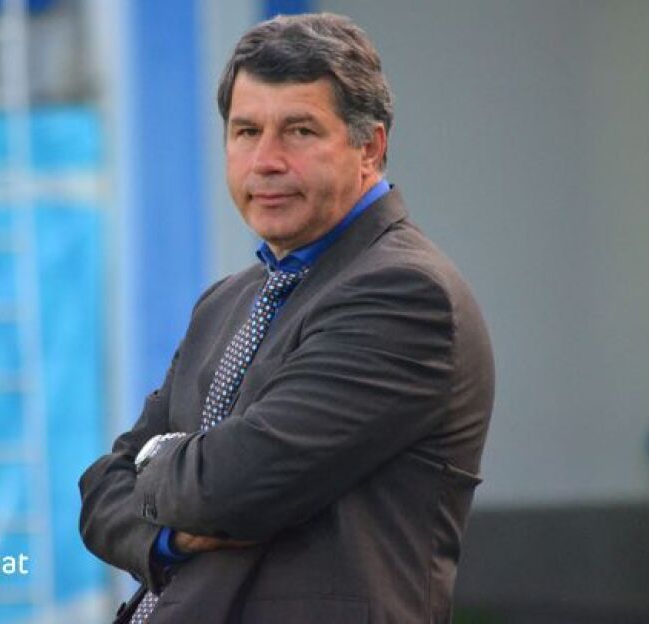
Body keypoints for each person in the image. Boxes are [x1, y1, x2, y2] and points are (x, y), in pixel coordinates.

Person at [79, 12, 494, 624]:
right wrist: (168, 533)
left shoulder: (404, 293)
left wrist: (155, 458)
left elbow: (229, 489)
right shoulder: (226, 301)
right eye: (246, 131)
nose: (265, 161)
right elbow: (97, 496)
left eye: (299, 131)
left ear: (370, 148)